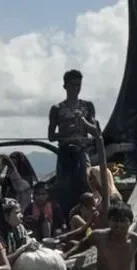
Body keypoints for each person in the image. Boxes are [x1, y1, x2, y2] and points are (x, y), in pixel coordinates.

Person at [48, 69, 97, 216]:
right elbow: (51, 136)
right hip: (65, 151)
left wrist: (83, 122)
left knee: (86, 180)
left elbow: (95, 131)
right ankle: (65, 217)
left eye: (78, 85)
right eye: (73, 85)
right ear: (65, 86)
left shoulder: (87, 106)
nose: (76, 88)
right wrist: (68, 131)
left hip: (82, 151)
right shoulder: (57, 109)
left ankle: (88, 213)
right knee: (63, 186)